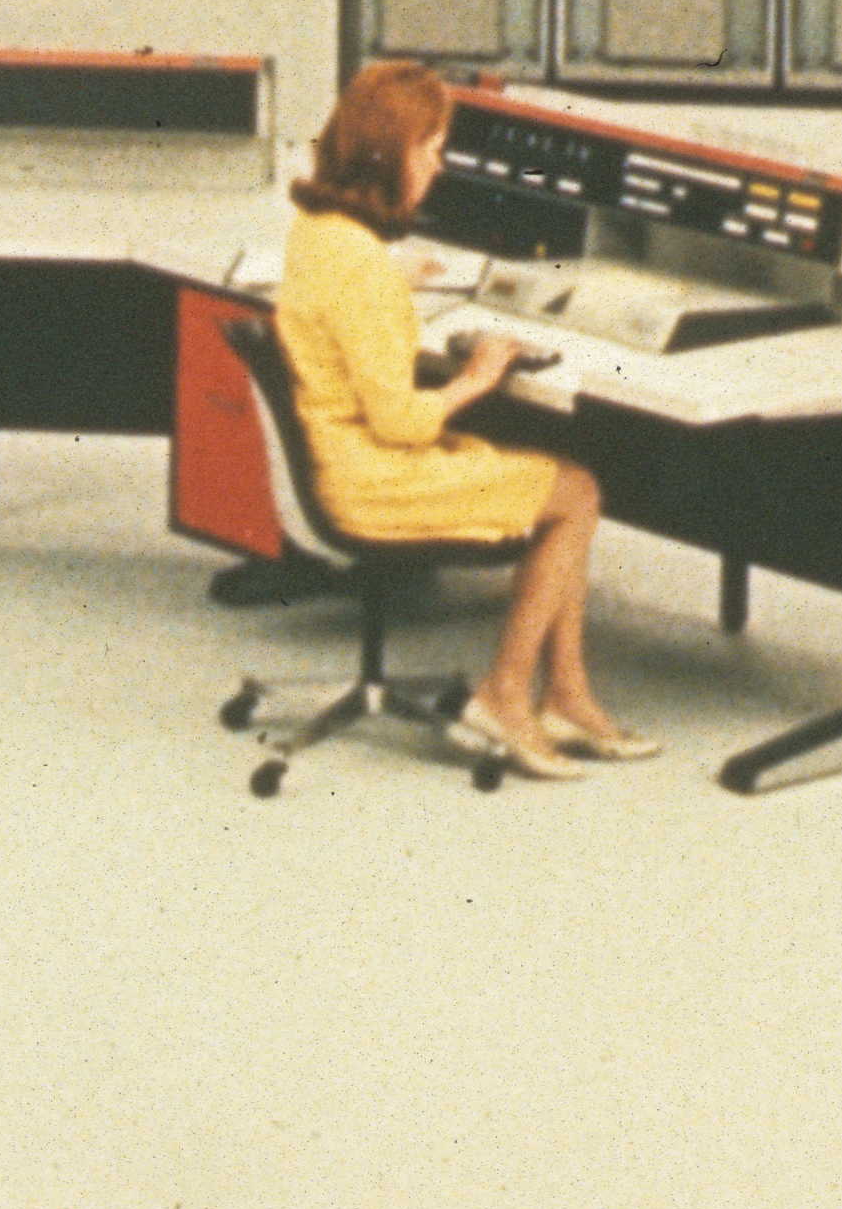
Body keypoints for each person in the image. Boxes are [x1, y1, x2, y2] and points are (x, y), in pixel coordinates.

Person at [272, 60, 652, 780]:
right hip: (374, 478)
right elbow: (399, 421)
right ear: (391, 154)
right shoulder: (362, 267)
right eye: (432, 149)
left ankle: (567, 700)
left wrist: (393, 279)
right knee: (575, 492)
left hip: (339, 460)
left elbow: (343, 306)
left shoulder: (318, 232)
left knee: (558, 480)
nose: (439, 167)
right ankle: (506, 695)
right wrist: (476, 378)